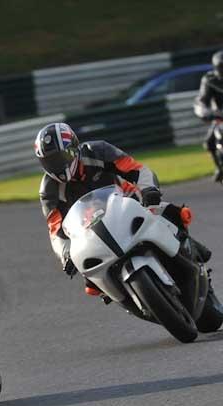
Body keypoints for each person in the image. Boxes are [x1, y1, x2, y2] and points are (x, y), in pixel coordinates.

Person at [35, 122, 211, 292]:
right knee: (90, 281)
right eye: (49, 162)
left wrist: (149, 189)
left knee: (170, 212)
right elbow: (56, 231)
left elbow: (138, 170)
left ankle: (192, 250)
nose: (56, 165)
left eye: (59, 158)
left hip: (128, 202)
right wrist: (66, 255)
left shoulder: (97, 152)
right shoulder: (49, 190)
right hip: (93, 230)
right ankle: (123, 294)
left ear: (73, 149)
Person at [193, 50, 223, 182]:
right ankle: (220, 168)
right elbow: (202, 100)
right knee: (209, 142)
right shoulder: (210, 80)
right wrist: (205, 112)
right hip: (220, 116)